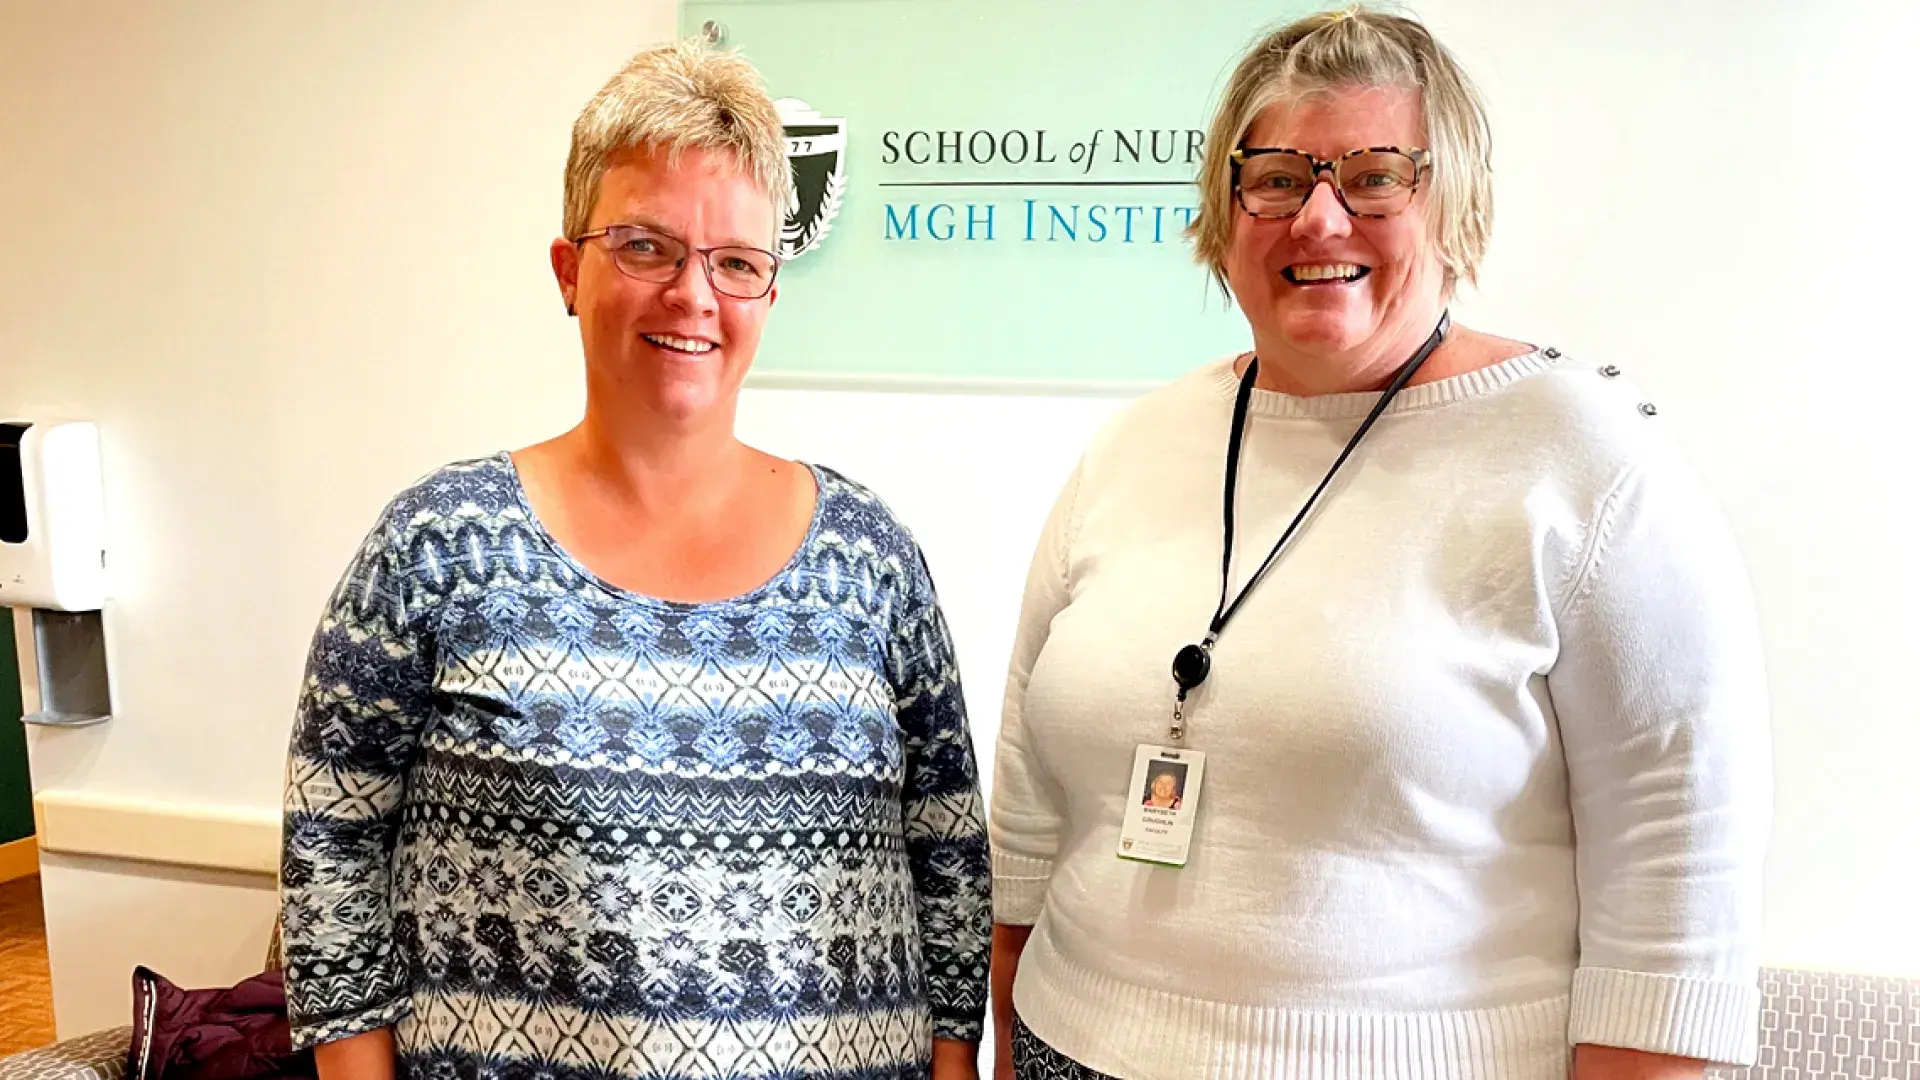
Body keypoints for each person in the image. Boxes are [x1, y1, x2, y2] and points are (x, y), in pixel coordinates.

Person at [988, 8, 1770, 1080]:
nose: (1319, 218)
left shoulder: (1585, 461)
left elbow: (1677, 906)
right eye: (1275, 176)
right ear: (1226, 210)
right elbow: (1031, 810)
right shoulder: (1134, 445)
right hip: (1066, 1044)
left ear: (1454, 207)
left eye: (1374, 175)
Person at [279, 39, 991, 1080]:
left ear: (769, 292)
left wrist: (951, 1060)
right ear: (570, 270)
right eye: (647, 246)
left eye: (735, 262)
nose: (692, 295)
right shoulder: (436, 546)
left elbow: (948, 849)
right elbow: (330, 840)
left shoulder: (871, 561)